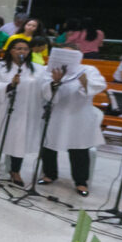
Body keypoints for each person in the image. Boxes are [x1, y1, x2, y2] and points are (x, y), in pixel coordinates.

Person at [39, 52, 106, 197]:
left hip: (78, 116)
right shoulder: (49, 70)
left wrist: (85, 82)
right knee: (49, 145)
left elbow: (99, 85)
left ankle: (81, 181)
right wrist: (55, 82)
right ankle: (49, 174)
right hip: (56, 114)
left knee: (79, 149)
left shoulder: (88, 69)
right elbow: (45, 92)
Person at [0, 39, 43, 186]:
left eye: (25, 49)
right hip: (0, 108)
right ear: (10, 50)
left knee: (18, 139)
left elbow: (43, 88)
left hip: (23, 110)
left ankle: (15, 171)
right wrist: (9, 85)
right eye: (18, 48)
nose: (22, 52)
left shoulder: (38, 69)